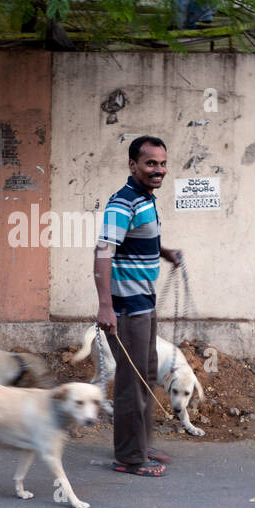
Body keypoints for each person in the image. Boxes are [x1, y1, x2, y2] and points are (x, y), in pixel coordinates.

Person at [93, 135, 183, 476]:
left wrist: (165, 252)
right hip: (126, 310)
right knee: (131, 383)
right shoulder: (123, 203)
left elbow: (138, 240)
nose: (158, 170)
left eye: (162, 163)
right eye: (150, 163)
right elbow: (104, 252)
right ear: (133, 165)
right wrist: (105, 307)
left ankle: (141, 445)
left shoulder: (146, 200)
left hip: (145, 304)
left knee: (146, 375)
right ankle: (129, 457)